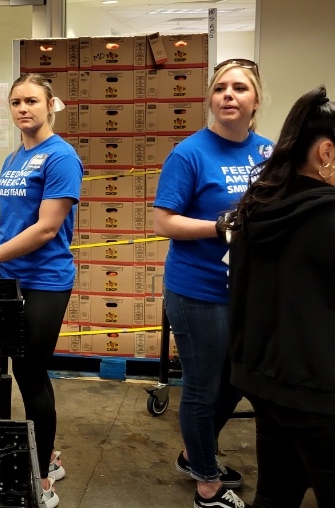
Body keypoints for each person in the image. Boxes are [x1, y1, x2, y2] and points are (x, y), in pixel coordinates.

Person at [0, 73, 82, 508]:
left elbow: (46, 228)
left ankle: (44, 476)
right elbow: (10, 218)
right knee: (8, 369)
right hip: (11, 280)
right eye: (15, 102)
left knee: (31, 373)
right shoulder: (14, 159)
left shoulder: (60, 157)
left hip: (45, 279)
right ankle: (44, 451)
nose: (23, 109)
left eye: (31, 101)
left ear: (51, 105)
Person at [153, 59, 273, 508]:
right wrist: (218, 226)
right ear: (210, 98)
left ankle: (192, 452)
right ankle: (206, 482)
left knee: (237, 380)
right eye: (220, 87)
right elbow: (164, 221)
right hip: (197, 290)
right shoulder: (190, 153)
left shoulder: (268, 152)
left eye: (239, 88)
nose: (228, 94)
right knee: (203, 387)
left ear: (255, 100)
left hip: (247, 291)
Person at [228, 86, 335, 508]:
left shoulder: (255, 208)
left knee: (276, 494)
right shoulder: (326, 218)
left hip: (265, 386)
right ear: (326, 153)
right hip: (319, 393)